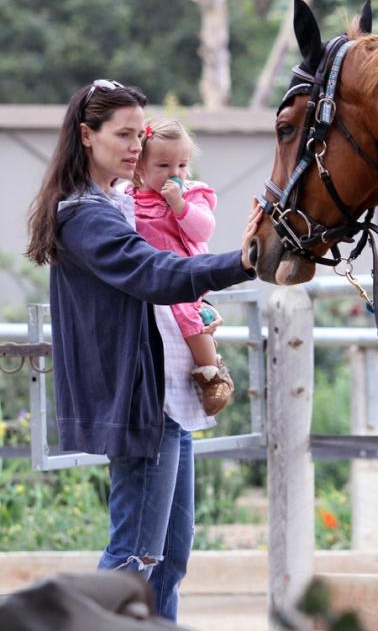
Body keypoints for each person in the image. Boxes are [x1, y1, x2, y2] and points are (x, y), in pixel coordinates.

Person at [26, 79, 261, 622]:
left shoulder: (123, 201)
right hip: (141, 404)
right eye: (123, 134)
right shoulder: (85, 215)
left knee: (169, 560)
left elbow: (170, 266)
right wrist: (243, 261)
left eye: (140, 133)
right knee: (135, 559)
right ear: (87, 135)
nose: (136, 145)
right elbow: (154, 273)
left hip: (170, 397)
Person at [126, 116, 233, 416]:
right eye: (163, 166)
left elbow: (203, 230)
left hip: (184, 275)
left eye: (182, 166)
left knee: (189, 315)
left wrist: (179, 206)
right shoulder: (129, 199)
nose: (175, 174)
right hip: (151, 279)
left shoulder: (191, 193)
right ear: (140, 167)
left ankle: (212, 372)